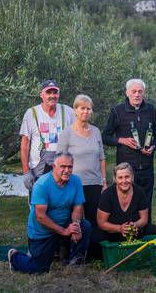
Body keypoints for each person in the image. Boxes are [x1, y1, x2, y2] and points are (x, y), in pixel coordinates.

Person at [8, 153, 91, 273]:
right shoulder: (42, 184)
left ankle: (74, 262)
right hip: (43, 231)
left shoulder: (76, 180)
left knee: (85, 226)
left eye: (70, 167)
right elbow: (40, 217)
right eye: (63, 166)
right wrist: (64, 231)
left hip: (64, 224)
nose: (67, 170)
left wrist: (76, 226)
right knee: (38, 269)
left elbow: (78, 207)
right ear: (54, 167)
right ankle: (14, 257)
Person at [102, 79, 156, 223]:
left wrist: (154, 147)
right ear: (127, 93)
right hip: (126, 169)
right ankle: (125, 236)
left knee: (146, 205)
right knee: (126, 205)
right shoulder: (117, 111)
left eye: (140, 91)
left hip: (147, 168)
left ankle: (146, 237)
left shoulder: (151, 110)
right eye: (134, 91)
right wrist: (121, 140)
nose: (137, 94)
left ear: (144, 93)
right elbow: (105, 136)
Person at [56, 94, 107, 229]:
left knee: (94, 221)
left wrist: (104, 181)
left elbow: (101, 157)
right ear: (75, 110)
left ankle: (93, 250)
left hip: (94, 183)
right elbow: (59, 160)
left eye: (88, 109)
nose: (85, 111)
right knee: (73, 221)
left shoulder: (96, 131)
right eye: (82, 108)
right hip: (73, 183)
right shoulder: (67, 133)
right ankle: (71, 249)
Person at [20, 80, 75, 201]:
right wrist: (26, 172)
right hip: (38, 169)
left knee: (62, 204)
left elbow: (77, 137)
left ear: (59, 94)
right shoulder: (31, 113)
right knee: (39, 205)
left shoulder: (68, 112)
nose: (52, 96)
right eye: (48, 92)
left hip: (63, 168)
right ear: (42, 95)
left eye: (55, 92)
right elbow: (24, 145)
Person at [94, 163, 156, 244]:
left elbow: (144, 219)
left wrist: (135, 225)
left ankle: (144, 251)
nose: (124, 181)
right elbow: (101, 223)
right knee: (96, 237)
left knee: (155, 231)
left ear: (132, 177)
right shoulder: (107, 194)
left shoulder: (140, 192)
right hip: (113, 233)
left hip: (134, 232)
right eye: (120, 178)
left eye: (127, 177)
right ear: (115, 179)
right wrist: (120, 228)